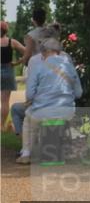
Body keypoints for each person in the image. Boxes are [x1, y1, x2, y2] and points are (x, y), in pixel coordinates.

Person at [15, 30, 82, 165]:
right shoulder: (69, 65)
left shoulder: (38, 65)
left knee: (29, 121)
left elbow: (29, 94)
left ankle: (27, 153)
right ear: (58, 51)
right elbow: (79, 93)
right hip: (66, 111)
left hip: (43, 111)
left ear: (44, 52)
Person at [1, 21, 26, 132]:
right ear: (6, 30)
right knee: (5, 101)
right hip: (8, 71)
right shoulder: (12, 42)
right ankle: (1, 125)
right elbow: (26, 52)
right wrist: (17, 63)